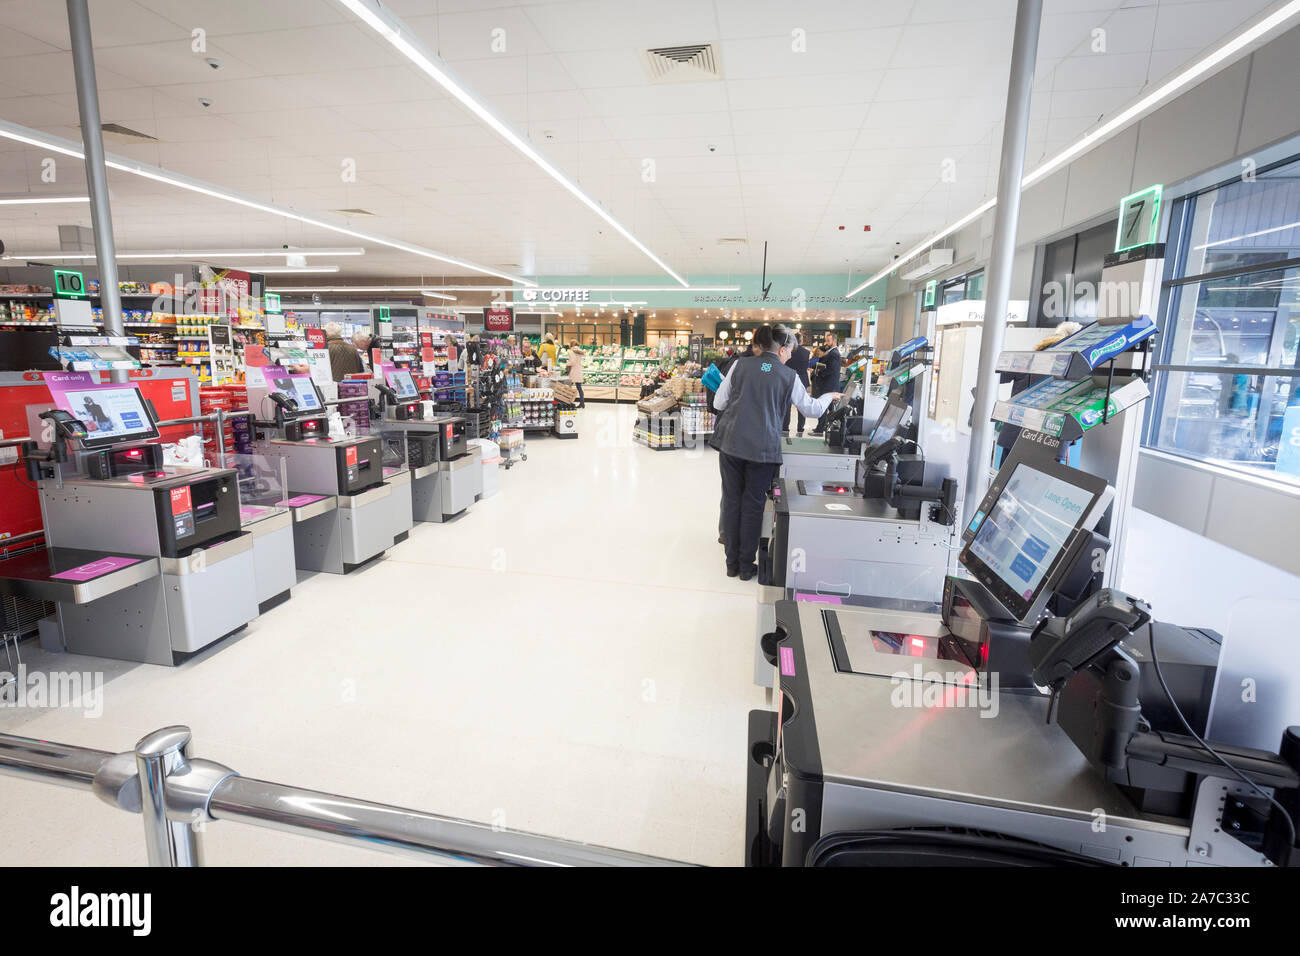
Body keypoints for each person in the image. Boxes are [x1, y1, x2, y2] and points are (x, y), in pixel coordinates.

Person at [712, 325, 843, 580]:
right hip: (762, 449)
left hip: (731, 444)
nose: (790, 357)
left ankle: (731, 563)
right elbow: (812, 410)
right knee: (753, 505)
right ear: (781, 349)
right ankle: (746, 567)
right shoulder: (789, 375)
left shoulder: (740, 365)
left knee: (731, 500)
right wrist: (829, 396)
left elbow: (719, 403)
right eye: (789, 352)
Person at [810, 332, 843, 434]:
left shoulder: (834, 353)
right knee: (827, 408)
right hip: (828, 385)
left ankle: (821, 428)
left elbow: (831, 370)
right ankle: (822, 427)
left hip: (829, 386)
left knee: (825, 407)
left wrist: (818, 373)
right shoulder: (831, 352)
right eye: (826, 340)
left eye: (828, 341)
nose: (826, 343)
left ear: (834, 341)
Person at [783, 330, 812, 435]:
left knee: (787, 406)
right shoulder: (806, 352)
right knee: (801, 405)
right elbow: (805, 368)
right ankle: (800, 428)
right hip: (802, 380)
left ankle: (785, 428)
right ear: (801, 341)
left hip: (787, 380)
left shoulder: (787, 351)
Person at [567, 343, 586, 407]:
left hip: (574, 371)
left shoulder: (572, 352)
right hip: (578, 371)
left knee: (569, 387)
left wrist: (567, 363)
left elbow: (573, 362)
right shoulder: (579, 352)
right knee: (579, 388)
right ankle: (582, 403)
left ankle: (568, 402)